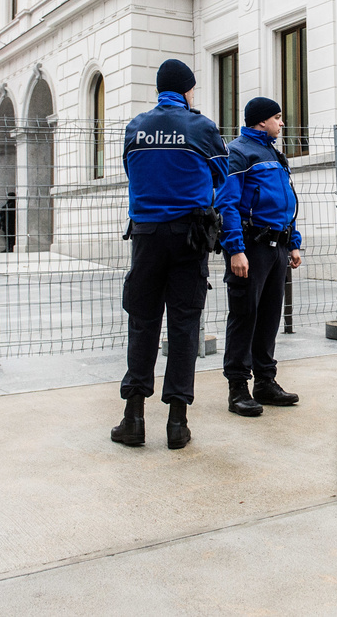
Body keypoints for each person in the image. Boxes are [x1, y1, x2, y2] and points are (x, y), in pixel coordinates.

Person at [112, 59, 228, 450]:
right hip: (189, 237)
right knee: (184, 326)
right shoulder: (201, 126)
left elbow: (132, 172)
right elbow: (221, 176)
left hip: (145, 237)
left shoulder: (135, 128)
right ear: (187, 89)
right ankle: (177, 423)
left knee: (142, 322)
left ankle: (134, 418)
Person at [215, 97, 303, 417]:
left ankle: (265, 382)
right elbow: (227, 205)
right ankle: (237, 388)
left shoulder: (276, 155)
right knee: (244, 315)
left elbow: (288, 203)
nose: (282, 123)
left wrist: (293, 242)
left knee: (269, 317)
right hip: (250, 247)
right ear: (261, 121)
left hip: (277, 247)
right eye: (277, 117)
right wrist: (235, 249)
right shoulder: (238, 152)